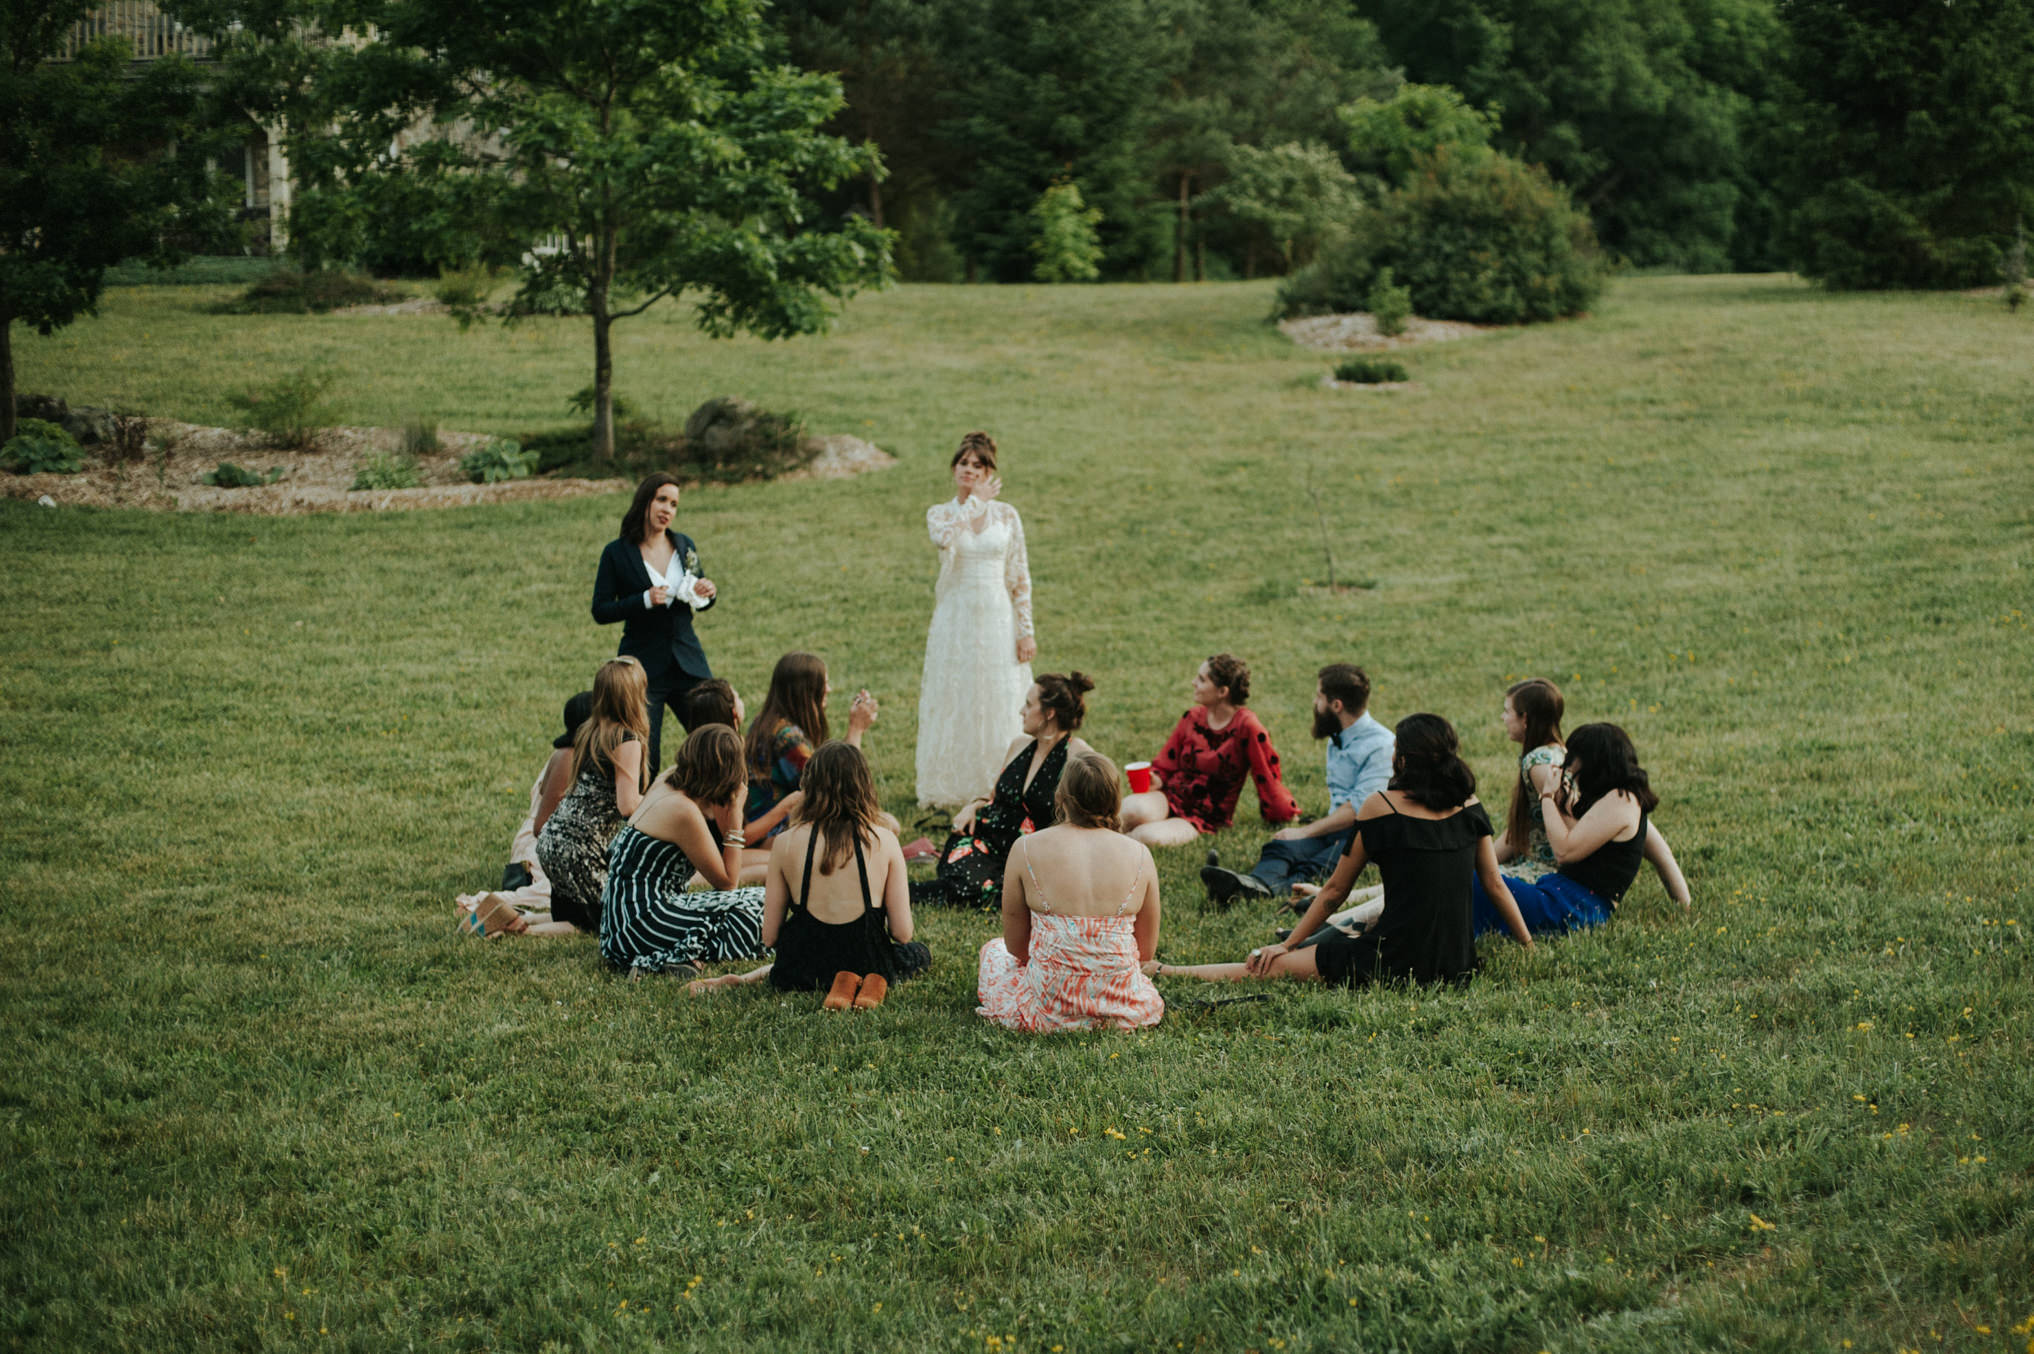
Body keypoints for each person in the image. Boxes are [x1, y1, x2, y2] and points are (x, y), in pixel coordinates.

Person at [1152, 715, 1533, 988]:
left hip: (1393, 960)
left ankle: (1167, 971)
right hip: (1455, 960)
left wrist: (1287, 945)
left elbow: (1335, 891)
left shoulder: (1381, 806)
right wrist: (1528, 945)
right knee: (1359, 925)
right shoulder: (1470, 805)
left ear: (1402, 759)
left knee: (1267, 968)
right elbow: (1495, 885)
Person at [687, 741, 929, 1005]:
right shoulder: (883, 840)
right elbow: (903, 934)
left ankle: (746, 977)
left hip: (800, 971)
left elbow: (769, 937)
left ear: (809, 786)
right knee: (918, 953)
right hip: (867, 966)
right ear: (864, 786)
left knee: (811, 956)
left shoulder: (786, 842)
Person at [977, 752, 1165, 1032]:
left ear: (1061, 797)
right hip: (1121, 1006)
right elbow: (1146, 951)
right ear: (1114, 798)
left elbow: (1016, 946)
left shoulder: (1026, 848)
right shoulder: (1139, 855)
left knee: (992, 950)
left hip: (1047, 1008)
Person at [1471, 721, 1690, 937]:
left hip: (1574, 909)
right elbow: (1663, 855)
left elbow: (1564, 851)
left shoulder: (1621, 801)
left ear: (1591, 763)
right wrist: (1562, 802)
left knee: (1474, 880)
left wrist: (1547, 797)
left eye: (1573, 759)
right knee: (1477, 884)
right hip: (1565, 900)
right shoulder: (1619, 799)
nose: (1569, 766)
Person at [1200, 663, 1394, 906]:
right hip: (1336, 829)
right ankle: (1251, 884)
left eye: (1319, 697)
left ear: (1336, 706)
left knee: (1317, 863)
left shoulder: (1382, 746)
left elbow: (1358, 810)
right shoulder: (1339, 736)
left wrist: (1304, 831)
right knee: (1281, 846)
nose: (1314, 703)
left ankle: (1257, 891)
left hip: (1365, 839)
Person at [916, 431, 1036, 808]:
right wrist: (973, 505)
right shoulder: (941, 513)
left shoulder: (1007, 515)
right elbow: (943, 539)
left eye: (977, 466)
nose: (969, 470)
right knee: (958, 692)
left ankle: (1002, 778)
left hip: (997, 614)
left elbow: (1019, 575)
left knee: (999, 693)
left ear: (989, 471)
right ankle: (954, 781)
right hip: (957, 616)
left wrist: (1025, 631)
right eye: (964, 464)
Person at [599, 725, 771, 977]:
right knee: (754, 912)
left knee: (763, 898)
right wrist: (735, 817)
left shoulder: (668, 781)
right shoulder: (682, 811)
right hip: (642, 922)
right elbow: (728, 882)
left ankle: (678, 955)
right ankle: (669, 958)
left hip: (622, 921)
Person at [918, 672, 1096, 910]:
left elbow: (1092, 820)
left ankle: (910, 894)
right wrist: (971, 807)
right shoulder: (1019, 745)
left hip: (1034, 857)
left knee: (979, 889)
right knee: (963, 872)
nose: (1022, 711)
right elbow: (993, 797)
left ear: (1049, 713)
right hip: (989, 841)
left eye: (1029, 704)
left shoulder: (1077, 756)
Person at [591, 472, 718, 773]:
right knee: (646, 756)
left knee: (714, 742)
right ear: (645, 501)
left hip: (689, 661)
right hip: (644, 668)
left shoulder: (684, 544)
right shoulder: (616, 553)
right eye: (662, 500)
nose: (667, 510)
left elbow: (697, 591)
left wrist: (707, 593)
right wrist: (644, 599)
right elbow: (600, 610)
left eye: (674, 504)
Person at [1119, 653, 1299, 847]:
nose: (1193, 682)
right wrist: (1156, 778)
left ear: (1222, 691)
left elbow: (1267, 776)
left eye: (1202, 679)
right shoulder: (1192, 717)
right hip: (1169, 796)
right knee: (1129, 810)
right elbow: (1165, 763)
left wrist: (1284, 813)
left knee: (1146, 837)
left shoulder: (1247, 727)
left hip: (1203, 817)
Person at [456, 690, 592, 936]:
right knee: (556, 894)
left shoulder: (584, 758)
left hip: (558, 842)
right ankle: (488, 903)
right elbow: (543, 825)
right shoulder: (567, 758)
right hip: (541, 841)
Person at [533, 657, 650, 933]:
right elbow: (628, 804)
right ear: (635, 697)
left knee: (572, 919)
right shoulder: (626, 739)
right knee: (607, 924)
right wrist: (659, 802)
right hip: (581, 851)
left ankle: (517, 920)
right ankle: (517, 930)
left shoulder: (589, 732)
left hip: (553, 841)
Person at [744, 652, 894, 839]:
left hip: (771, 825)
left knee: (884, 824)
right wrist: (855, 729)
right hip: (773, 832)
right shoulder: (787, 738)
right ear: (807, 691)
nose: (829, 689)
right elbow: (836, 787)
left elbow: (831, 772)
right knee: (887, 827)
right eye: (824, 684)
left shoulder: (769, 722)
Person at [679, 676, 800, 882]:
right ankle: (697, 878)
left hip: (732, 845)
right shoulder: (718, 763)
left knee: (798, 847)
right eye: (737, 697)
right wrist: (785, 807)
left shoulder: (708, 750)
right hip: (720, 853)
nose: (741, 700)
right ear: (734, 713)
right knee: (787, 861)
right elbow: (735, 838)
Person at [1493, 678, 1568, 882]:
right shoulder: (1557, 752)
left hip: (1546, 872)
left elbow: (1569, 818)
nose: (1503, 717)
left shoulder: (1539, 764)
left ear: (1525, 719)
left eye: (1507, 711)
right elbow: (1520, 829)